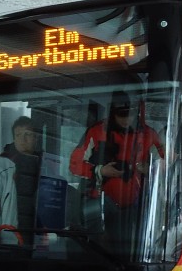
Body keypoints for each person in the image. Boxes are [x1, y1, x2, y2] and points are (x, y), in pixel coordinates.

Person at [70, 91, 164, 250]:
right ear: (113, 113)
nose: (127, 119)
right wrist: (100, 171)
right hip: (101, 204)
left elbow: (168, 164)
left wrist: (151, 170)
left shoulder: (149, 134)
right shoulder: (96, 132)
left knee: (136, 249)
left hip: (139, 205)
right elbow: (74, 164)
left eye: (130, 115)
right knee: (98, 249)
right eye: (121, 115)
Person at [0, 115, 42, 243]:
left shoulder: (45, 164)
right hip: (11, 238)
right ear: (13, 139)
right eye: (18, 135)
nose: (22, 139)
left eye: (27, 134)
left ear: (36, 138)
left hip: (39, 236)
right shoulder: (1, 165)